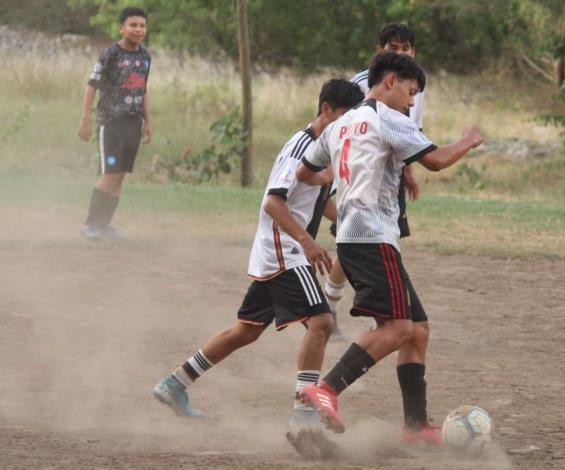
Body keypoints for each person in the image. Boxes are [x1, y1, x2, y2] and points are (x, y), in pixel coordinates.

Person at [152, 80, 365, 431]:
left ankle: (176, 383)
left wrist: (348, 221)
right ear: (326, 109)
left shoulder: (325, 146)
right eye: (343, 116)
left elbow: (316, 199)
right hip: (284, 248)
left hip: (281, 248)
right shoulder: (302, 146)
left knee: (246, 330)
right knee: (323, 322)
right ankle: (303, 413)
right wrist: (308, 243)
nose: (346, 125)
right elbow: (273, 201)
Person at [296, 52, 484, 444]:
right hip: (372, 238)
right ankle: (326, 389)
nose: (412, 103)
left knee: (418, 329)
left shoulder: (340, 124)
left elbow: (304, 171)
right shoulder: (388, 118)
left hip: (352, 236)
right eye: (411, 93)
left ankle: (415, 427)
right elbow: (435, 160)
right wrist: (469, 140)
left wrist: (343, 179)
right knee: (398, 328)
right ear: (391, 82)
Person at [325, 23, 423, 331]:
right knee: (360, 236)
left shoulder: (416, 84)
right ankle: (334, 301)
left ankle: (381, 308)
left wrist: (408, 169)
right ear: (380, 52)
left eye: (405, 48)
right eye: (393, 48)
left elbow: (408, 131)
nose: (400, 52)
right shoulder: (366, 84)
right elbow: (350, 130)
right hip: (361, 175)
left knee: (385, 237)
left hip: (388, 174)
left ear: (414, 52)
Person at [78, 7, 153, 240]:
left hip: (133, 123)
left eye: (142, 25)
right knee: (110, 173)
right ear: (121, 28)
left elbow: (143, 90)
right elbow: (92, 84)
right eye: (133, 25)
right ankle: (90, 224)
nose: (138, 29)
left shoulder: (145, 57)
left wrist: (148, 121)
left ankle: (103, 226)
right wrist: (86, 118)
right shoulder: (111, 53)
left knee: (120, 175)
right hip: (111, 123)